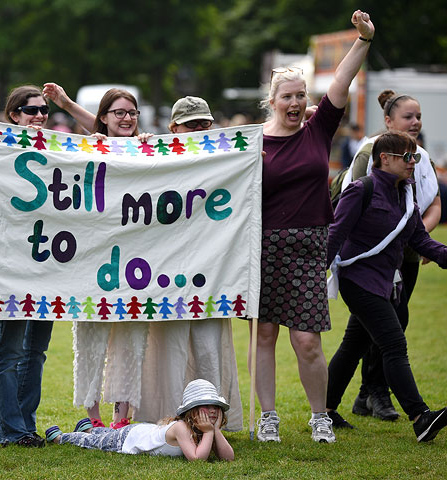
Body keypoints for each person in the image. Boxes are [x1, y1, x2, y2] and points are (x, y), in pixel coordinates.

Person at [252, 10, 375, 443]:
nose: (295, 103)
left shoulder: (317, 129)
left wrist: (363, 40)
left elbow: (340, 83)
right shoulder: (252, 143)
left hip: (308, 248)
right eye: (287, 96)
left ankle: (319, 415)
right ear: (272, 101)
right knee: (262, 335)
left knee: (306, 340)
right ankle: (268, 417)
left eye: (301, 95)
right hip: (262, 248)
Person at [325, 131, 447, 442]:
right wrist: (314, 275)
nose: (413, 163)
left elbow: (419, 239)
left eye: (415, 157)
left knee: (353, 346)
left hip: (384, 282)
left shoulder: (406, 192)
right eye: (407, 157)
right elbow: (335, 235)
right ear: (385, 159)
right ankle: (420, 417)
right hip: (358, 281)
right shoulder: (360, 190)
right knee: (393, 343)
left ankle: (324, 410)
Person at [44, 84, 151, 429]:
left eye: (132, 112)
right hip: (92, 259)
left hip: (137, 262)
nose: (127, 118)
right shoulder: (87, 148)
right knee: (90, 334)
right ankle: (92, 415)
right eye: (118, 112)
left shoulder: (150, 150)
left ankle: (123, 415)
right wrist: (62, 107)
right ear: (103, 117)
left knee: (131, 339)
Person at [136, 96, 243, 431]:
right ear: (174, 128)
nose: (199, 130)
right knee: (168, 351)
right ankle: (167, 419)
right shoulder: (155, 156)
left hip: (210, 272)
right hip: (164, 273)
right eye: (191, 124)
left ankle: (213, 420)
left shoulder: (226, 159)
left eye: (204, 124)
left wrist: (252, 164)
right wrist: (141, 149)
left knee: (210, 349)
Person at [0, 85, 54, 447]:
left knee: (36, 351)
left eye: (43, 110)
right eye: (32, 110)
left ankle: (25, 425)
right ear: (14, 114)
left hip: (48, 263)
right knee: (11, 348)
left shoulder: (58, 150)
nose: (39, 116)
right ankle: (11, 430)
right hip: (11, 264)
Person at [44, 379, 234, 461]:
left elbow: (228, 458)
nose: (213, 411)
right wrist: (210, 432)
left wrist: (215, 430)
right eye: (206, 406)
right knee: (98, 443)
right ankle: (63, 437)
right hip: (130, 438)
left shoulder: (205, 429)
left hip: (144, 430)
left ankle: (89, 428)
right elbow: (196, 459)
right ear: (191, 411)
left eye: (216, 406)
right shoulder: (182, 428)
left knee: (109, 434)